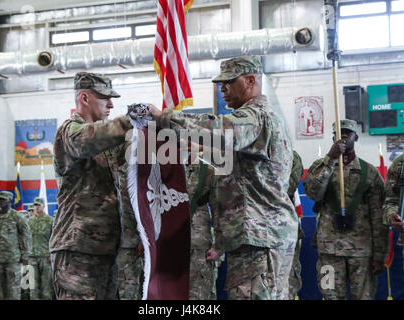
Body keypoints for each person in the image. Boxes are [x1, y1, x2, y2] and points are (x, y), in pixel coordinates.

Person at [149, 55, 298, 300]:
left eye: (229, 82)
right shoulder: (257, 118)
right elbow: (239, 163)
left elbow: (223, 130)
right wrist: (199, 149)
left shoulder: (256, 116)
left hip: (260, 238)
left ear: (251, 80)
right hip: (258, 237)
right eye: (221, 83)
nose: (223, 89)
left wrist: (165, 118)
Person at [50, 72, 134, 300]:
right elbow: (88, 140)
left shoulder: (109, 143)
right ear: (85, 98)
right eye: (104, 97)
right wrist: (130, 119)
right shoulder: (69, 132)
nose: (111, 104)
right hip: (78, 250)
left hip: (107, 250)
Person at [304, 119, 388, 300]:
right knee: (330, 296)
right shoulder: (320, 166)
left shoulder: (369, 172)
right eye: (339, 134)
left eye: (347, 133)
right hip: (329, 250)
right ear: (333, 137)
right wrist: (330, 159)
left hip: (361, 252)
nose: (343, 137)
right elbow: (313, 193)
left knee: (364, 297)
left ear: (356, 137)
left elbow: (378, 216)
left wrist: (379, 255)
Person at [0, 191, 32, 300]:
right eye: (0, 199)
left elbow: (26, 235)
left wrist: (25, 254)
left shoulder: (16, 216)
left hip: (13, 258)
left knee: (13, 287)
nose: (1, 201)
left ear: (10, 200)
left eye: (4, 199)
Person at [186, 161, 218, 300]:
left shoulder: (207, 170)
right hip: (166, 248)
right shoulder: (162, 168)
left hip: (198, 249)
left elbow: (219, 210)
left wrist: (219, 247)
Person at [28, 197, 53, 300]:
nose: (37, 207)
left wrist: (51, 254)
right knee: (33, 287)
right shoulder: (30, 222)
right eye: (35, 205)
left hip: (45, 257)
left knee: (46, 288)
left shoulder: (50, 221)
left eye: (39, 205)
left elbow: (54, 239)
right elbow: (25, 238)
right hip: (32, 257)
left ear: (43, 206)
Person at [287, 151, 304, 300]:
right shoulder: (243, 152)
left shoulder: (291, 156)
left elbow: (288, 187)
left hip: (284, 231)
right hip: (252, 232)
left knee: (288, 282)